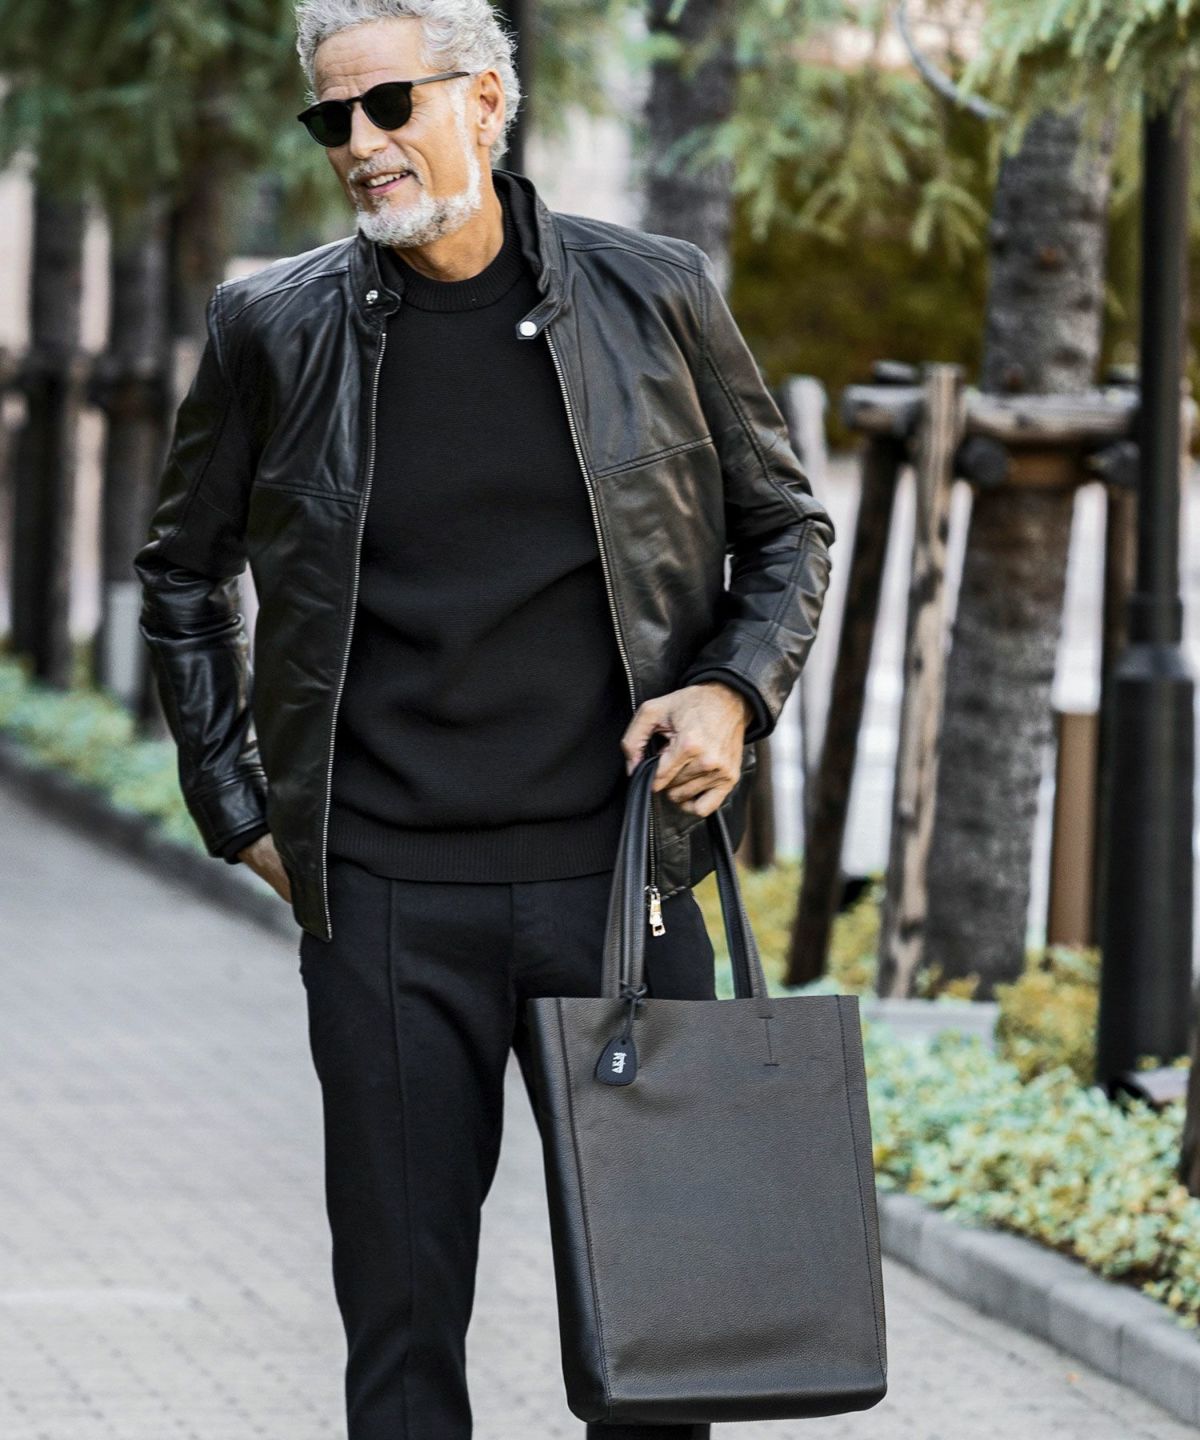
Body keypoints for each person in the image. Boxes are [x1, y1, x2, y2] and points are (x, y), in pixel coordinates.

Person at [134, 2, 836, 1435]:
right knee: (401, 1344)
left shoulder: (653, 294)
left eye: (390, 103)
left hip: (622, 887)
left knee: (664, 1343)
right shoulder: (274, 327)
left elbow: (785, 529)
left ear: (487, 100)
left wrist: (730, 689)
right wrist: (237, 807)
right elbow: (181, 572)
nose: (361, 143)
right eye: (332, 117)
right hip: (387, 900)